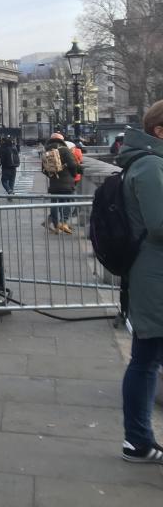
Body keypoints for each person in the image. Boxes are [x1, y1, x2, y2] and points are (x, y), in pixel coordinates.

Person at [117, 103, 163, 463]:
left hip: (152, 271)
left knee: (146, 359)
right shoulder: (150, 166)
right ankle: (138, 440)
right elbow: (159, 225)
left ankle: (139, 440)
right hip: (154, 274)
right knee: (145, 360)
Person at [41, 132, 79, 234]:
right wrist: (74, 175)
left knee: (54, 203)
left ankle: (56, 224)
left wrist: (52, 175)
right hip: (67, 182)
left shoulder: (46, 151)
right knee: (69, 201)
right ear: (61, 140)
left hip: (54, 183)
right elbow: (73, 165)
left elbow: (43, 169)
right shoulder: (65, 150)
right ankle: (63, 222)